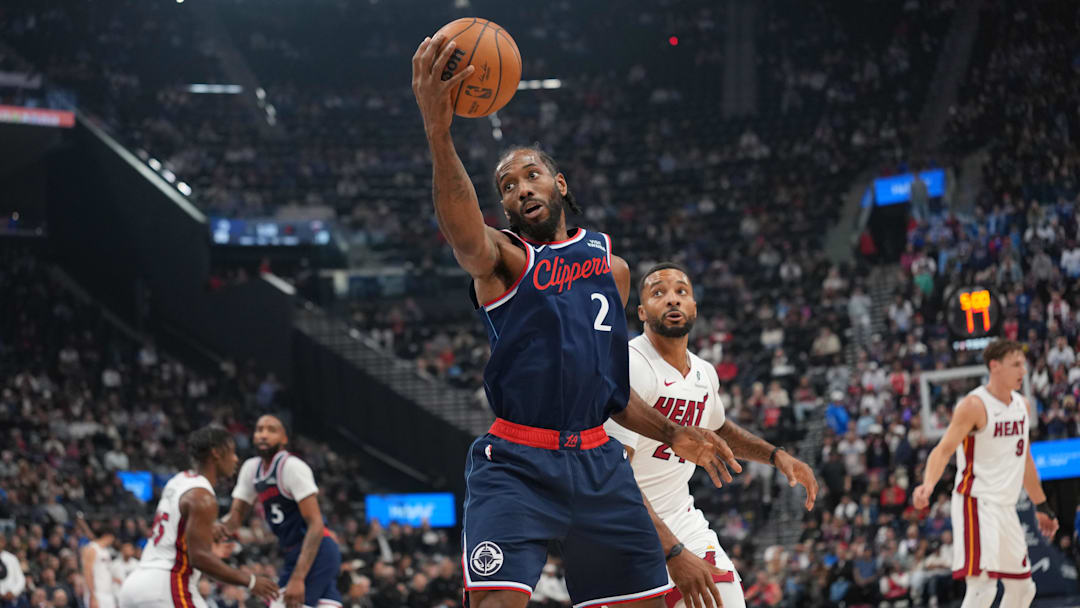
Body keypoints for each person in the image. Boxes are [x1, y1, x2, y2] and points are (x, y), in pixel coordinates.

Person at [411, 33, 740, 608]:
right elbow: (464, 238)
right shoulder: (505, 260)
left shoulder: (613, 270)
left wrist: (671, 432)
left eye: (531, 175)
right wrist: (440, 136)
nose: (519, 190)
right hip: (517, 459)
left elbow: (610, 394)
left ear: (559, 185)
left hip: (597, 462)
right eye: (506, 188)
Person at [605, 263, 819, 608]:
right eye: (658, 293)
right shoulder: (630, 365)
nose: (672, 300)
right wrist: (672, 551)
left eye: (681, 292)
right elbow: (612, 475)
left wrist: (776, 455)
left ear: (694, 307)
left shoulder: (704, 372)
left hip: (680, 517)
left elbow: (719, 428)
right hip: (624, 525)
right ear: (642, 311)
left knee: (729, 600)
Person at [913, 340, 1059, 608]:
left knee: (1023, 589)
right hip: (976, 503)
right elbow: (943, 449)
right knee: (982, 589)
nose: (1023, 371)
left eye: (1023, 365)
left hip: (1006, 507)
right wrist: (928, 485)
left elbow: (1024, 459)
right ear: (995, 366)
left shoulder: (1022, 406)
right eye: (1016, 365)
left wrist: (1041, 505)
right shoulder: (973, 405)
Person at [118, 426, 278, 608]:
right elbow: (199, 558)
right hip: (167, 583)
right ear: (216, 453)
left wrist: (209, 528)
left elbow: (176, 523)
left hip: (137, 583)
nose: (235, 459)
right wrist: (250, 581)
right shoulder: (203, 497)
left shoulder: (179, 480)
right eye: (232, 452)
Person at [216, 415, 342, 608]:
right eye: (259, 429)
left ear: (284, 438)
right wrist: (214, 529)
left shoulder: (292, 467)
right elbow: (235, 517)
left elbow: (315, 525)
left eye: (271, 430)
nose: (263, 435)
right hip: (293, 553)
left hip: (317, 551)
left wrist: (298, 578)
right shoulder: (251, 468)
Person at [81, 530, 116, 608]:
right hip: (97, 593)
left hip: (108, 592)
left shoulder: (106, 551)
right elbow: (87, 572)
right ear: (107, 535)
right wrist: (92, 595)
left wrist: (114, 579)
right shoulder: (92, 548)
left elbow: (104, 571)